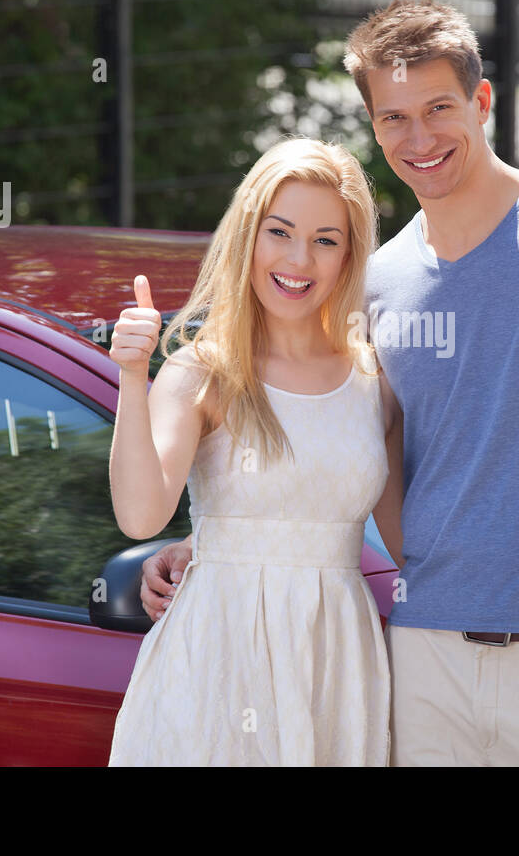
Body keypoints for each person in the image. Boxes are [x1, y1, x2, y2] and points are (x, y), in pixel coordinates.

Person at [140, 0, 519, 766]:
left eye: (438, 108)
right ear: (374, 127)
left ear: (482, 100)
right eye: (394, 117)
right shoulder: (375, 283)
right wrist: (213, 541)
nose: (420, 137)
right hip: (424, 659)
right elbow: (336, 442)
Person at [105, 136, 404, 766]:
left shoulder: (375, 381)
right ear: (248, 234)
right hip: (218, 660)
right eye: (280, 231)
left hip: (338, 664)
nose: (300, 259)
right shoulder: (200, 372)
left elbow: (413, 545)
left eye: (326, 239)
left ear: (350, 254)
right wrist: (133, 375)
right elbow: (140, 516)